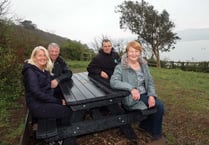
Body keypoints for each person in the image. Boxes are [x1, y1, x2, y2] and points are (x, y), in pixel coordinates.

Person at [110, 41, 164, 140]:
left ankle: (145, 127)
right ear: (127, 52)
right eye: (131, 51)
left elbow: (150, 82)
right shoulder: (121, 67)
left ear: (140, 52)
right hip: (131, 98)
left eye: (136, 51)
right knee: (158, 106)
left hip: (145, 94)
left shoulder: (144, 65)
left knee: (158, 105)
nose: (134, 54)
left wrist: (151, 95)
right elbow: (113, 82)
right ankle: (157, 135)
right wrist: (131, 88)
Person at [22, 46, 71, 126]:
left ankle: (58, 129)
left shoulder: (43, 69)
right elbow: (36, 93)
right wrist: (57, 101)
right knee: (67, 112)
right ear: (34, 57)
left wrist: (58, 80)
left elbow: (66, 73)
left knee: (67, 105)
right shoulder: (30, 72)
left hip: (43, 101)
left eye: (44, 55)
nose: (43, 58)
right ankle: (62, 136)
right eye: (40, 55)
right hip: (37, 105)